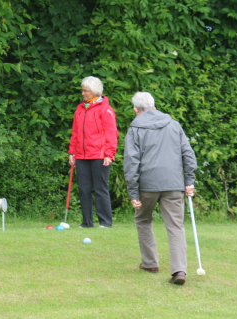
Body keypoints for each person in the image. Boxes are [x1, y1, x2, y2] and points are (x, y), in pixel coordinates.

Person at [123, 92, 197, 285]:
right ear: (154, 106)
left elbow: (131, 162)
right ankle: (179, 270)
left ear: (135, 110)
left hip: (148, 185)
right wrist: (189, 181)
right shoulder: (174, 124)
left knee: (143, 219)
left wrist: (133, 192)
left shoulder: (135, 127)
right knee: (176, 226)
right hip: (173, 183)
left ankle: (150, 264)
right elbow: (188, 154)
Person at [68, 76, 118, 228]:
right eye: (82, 90)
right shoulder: (79, 108)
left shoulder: (106, 109)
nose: (83, 93)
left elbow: (111, 133)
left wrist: (109, 154)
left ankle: (105, 223)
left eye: (86, 91)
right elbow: (75, 133)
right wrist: (72, 152)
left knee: (101, 189)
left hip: (99, 155)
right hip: (82, 155)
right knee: (83, 190)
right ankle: (87, 223)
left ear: (95, 92)